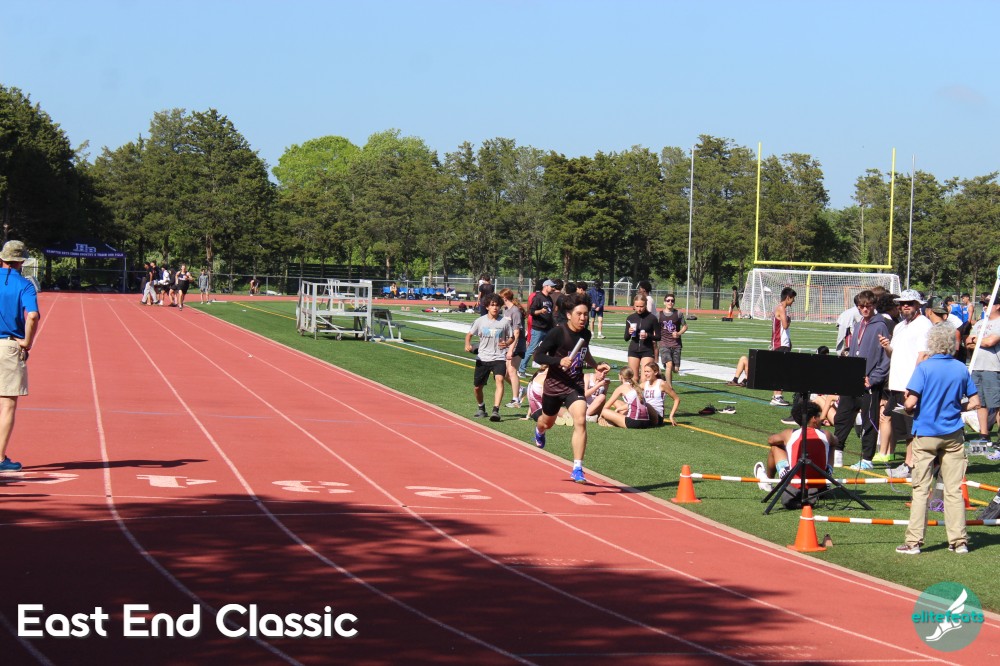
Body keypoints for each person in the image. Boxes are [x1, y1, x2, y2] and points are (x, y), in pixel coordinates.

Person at [896, 323, 980, 555]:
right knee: (954, 490)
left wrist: (907, 406)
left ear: (931, 342)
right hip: (953, 434)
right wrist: (956, 407)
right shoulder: (960, 368)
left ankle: (914, 542)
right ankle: (959, 541)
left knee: (921, 489)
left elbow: (910, 403)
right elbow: (975, 402)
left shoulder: (924, 368)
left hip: (926, 433)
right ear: (952, 344)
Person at [532, 292, 611, 483]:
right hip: (554, 386)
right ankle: (539, 431)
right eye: (579, 314)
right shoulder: (557, 333)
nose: (583, 318)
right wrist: (558, 361)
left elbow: (584, 352)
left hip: (574, 384)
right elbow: (538, 356)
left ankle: (577, 468)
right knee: (547, 423)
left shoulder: (586, 334)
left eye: (585, 314)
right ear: (569, 315)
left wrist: (595, 365)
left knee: (581, 420)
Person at [832, 290, 890, 470]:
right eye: (861, 306)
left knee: (869, 420)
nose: (865, 309)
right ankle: (837, 451)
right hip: (853, 380)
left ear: (874, 306)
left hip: (870, 383)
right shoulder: (858, 324)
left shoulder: (880, 326)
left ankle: (867, 458)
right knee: (843, 416)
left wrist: (874, 378)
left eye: (868, 306)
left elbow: (885, 358)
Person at [880, 289, 932, 478]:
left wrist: (914, 386)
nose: (905, 306)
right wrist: (887, 346)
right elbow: (894, 353)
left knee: (912, 429)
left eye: (910, 303)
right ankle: (909, 463)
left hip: (910, 385)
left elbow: (923, 356)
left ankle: (910, 465)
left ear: (918, 305)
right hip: (897, 384)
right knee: (902, 428)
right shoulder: (900, 326)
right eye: (902, 303)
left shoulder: (924, 325)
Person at [0, 241, 40, 471]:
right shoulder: (24, 285)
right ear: (21, 261)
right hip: (8, 345)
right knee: (7, 404)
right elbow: (32, 315)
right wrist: (27, 342)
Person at [752, 398, 834, 509]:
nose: (821, 420)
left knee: (775, 447)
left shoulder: (789, 433)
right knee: (832, 446)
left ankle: (768, 481)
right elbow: (836, 441)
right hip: (821, 483)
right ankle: (828, 474)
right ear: (814, 419)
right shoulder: (827, 434)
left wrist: (786, 443)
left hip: (795, 483)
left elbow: (771, 440)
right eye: (819, 416)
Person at [464, 293, 513, 422]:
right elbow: (469, 335)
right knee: (477, 387)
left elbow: (512, 337)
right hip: (483, 358)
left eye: (497, 305)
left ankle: (495, 411)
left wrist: (507, 343)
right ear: (487, 307)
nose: (495, 308)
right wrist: (467, 344)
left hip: (499, 357)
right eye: (492, 305)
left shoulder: (504, 322)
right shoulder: (480, 321)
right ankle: (481, 407)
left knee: (500, 380)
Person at [965, 298, 1000, 451]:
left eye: (988, 304)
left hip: (993, 368)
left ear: (998, 306)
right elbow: (968, 342)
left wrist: (976, 340)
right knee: (980, 403)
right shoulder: (980, 323)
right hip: (976, 367)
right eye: (984, 305)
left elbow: (990, 342)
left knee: (996, 404)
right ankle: (984, 435)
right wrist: (978, 340)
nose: (985, 307)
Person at [519, 279, 555, 376]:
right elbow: (531, 311)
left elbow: (550, 314)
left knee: (550, 349)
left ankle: (549, 369)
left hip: (548, 328)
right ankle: (521, 369)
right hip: (538, 328)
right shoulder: (538, 297)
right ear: (546, 286)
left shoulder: (549, 299)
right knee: (531, 349)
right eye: (551, 287)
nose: (553, 289)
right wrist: (540, 311)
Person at [499, 288, 527, 409]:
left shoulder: (515, 311)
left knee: (512, 371)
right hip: (508, 345)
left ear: (505, 298)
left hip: (517, 345)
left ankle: (516, 400)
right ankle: (521, 389)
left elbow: (516, 333)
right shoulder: (505, 310)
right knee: (504, 373)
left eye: (500, 298)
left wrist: (511, 349)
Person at [769, 287, 796, 407]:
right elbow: (785, 325)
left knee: (779, 370)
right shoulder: (781, 308)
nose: (793, 301)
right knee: (781, 371)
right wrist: (789, 320)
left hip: (781, 343)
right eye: (793, 298)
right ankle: (778, 396)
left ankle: (776, 395)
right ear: (788, 297)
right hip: (780, 344)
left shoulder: (780, 308)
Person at [624, 293, 659, 378]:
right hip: (633, 350)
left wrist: (648, 335)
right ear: (634, 305)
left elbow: (658, 337)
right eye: (637, 306)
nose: (639, 309)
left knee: (645, 378)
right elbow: (626, 338)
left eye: (641, 306)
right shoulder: (630, 318)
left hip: (647, 350)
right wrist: (629, 332)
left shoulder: (652, 318)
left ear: (646, 305)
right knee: (633, 378)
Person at [640, 362, 673, 427]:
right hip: (646, 412)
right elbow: (632, 392)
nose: (646, 374)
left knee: (646, 405)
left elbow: (677, 399)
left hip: (657, 416)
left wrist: (671, 416)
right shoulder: (645, 384)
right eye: (645, 371)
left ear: (655, 372)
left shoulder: (661, 384)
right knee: (619, 403)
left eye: (648, 371)